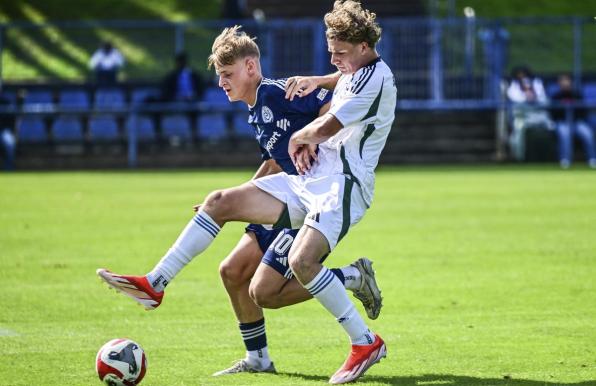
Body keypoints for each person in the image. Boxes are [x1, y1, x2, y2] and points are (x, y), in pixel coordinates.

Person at [98, 1, 395, 383]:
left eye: (339, 52)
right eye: (331, 52)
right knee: (219, 203)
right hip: (307, 179)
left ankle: (365, 341)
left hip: (342, 185)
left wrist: (301, 138)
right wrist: (320, 79)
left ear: (363, 46)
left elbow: (327, 123)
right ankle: (154, 284)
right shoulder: (355, 71)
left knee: (300, 266)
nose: (334, 59)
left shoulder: (377, 77)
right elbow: (342, 83)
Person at [506, 65, 554, 161]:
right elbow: (517, 101)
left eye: (524, 74)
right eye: (519, 75)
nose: (522, 77)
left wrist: (534, 96)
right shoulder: (512, 87)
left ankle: (552, 157)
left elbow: (544, 101)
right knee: (518, 133)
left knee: (552, 127)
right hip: (522, 116)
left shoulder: (537, 84)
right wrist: (526, 98)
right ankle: (520, 158)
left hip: (539, 115)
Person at [550, 73, 596, 168]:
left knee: (587, 134)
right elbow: (553, 113)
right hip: (562, 122)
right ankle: (565, 160)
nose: (565, 83)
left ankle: (592, 159)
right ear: (559, 84)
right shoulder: (556, 96)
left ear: (570, 82)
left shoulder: (576, 94)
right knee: (564, 134)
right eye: (562, 81)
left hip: (576, 122)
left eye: (566, 81)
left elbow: (583, 111)